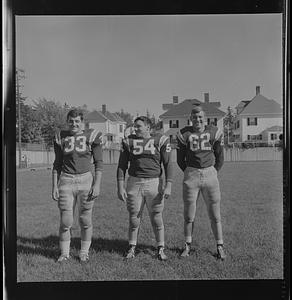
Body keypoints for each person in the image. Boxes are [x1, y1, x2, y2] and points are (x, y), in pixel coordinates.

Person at [117, 116, 173, 261]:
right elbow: (122, 165)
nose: (135, 129)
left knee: (156, 217)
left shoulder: (160, 140)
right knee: (134, 218)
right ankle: (132, 247)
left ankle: (160, 248)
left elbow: (168, 164)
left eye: (138, 126)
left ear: (148, 127)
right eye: (134, 126)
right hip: (134, 183)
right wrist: (120, 186)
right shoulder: (128, 141)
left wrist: (169, 185)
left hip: (154, 182)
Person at [52, 109, 103, 263]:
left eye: (77, 121)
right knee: (66, 221)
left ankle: (84, 252)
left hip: (85, 179)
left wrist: (97, 184)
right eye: (71, 121)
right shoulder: (61, 136)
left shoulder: (92, 136)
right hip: (66, 180)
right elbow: (57, 163)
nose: (74, 124)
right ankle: (65, 253)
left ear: (82, 122)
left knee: (85, 219)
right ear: (67, 122)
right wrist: (54, 185)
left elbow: (99, 162)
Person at [176, 104, 226, 260]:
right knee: (189, 215)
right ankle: (187, 245)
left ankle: (219, 246)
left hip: (210, 173)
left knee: (215, 215)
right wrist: (190, 171)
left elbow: (220, 156)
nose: (197, 119)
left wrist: (213, 171)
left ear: (205, 118)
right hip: (191, 175)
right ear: (191, 118)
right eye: (195, 117)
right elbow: (179, 159)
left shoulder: (214, 131)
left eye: (200, 117)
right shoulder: (184, 133)